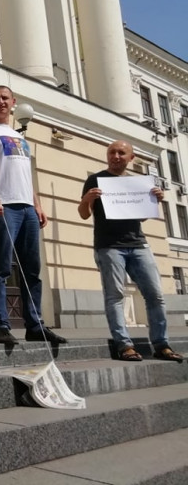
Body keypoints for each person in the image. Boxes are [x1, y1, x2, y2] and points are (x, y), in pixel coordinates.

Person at [0, 85, 66, 345]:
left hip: (27, 208)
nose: (1, 102)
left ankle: (35, 325)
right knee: (0, 268)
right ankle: (0, 325)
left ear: (13, 102)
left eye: (5, 98)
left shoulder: (19, 136)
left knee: (32, 270)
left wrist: (37, 204)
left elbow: (25, 175)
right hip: (4, 206)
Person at [78, 140, 182, 362]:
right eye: (111, 152)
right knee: (115, 295)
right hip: (109, 247)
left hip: (138, 245)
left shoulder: (138, 183)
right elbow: (84, 214)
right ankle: (124, 345)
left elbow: (141, 216)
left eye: (121, 153)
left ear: (131, 158)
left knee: (155, 295)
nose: (115, 156)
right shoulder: (95, 179)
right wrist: (87, 199)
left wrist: (155, 200)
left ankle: (161, 344)